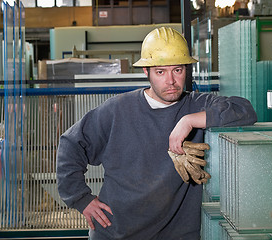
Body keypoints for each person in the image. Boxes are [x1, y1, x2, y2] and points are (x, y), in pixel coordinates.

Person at [56, 27, 257, 240]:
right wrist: (81, 199)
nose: (170, 81)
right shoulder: (117, 111)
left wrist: (189, 121)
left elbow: (245, 110)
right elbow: (71, 145)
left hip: (177, 234)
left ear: (186, 70)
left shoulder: (197, 105)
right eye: (161, 72)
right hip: (116, 231)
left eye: (177, 70)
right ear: (147, 72)